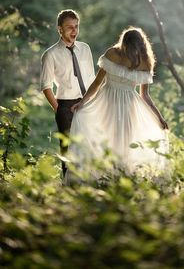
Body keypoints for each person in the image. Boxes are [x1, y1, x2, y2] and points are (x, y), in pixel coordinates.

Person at [66, 26, 169, 182]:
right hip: (107, 101)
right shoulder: (112, 54)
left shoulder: (145, 62)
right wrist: (82, 102)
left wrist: (159, 117)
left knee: (126, 141)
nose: (132, 50)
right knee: (107, 139)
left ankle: (122, 178)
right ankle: (106, 177)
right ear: (124, 42)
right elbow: (97, 83)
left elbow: (145, 95)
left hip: (129, 105)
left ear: (141, 45)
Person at [40, 9, 95, 177]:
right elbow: (46, 86)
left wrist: (93, 101)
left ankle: (90, 182)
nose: (74, 31)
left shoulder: (85, 49)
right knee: (68, 150)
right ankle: (67, 185)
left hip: (87, 102)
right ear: (60, 29)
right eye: (69, 27)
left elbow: (92, 78)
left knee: (90, 145)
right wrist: (59, 109)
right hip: (66, 105)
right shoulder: (50, 54)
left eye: (76, 26)